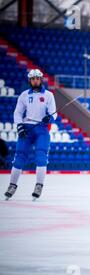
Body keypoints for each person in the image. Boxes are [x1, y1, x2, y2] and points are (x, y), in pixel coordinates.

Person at [4, 69, 57, 200]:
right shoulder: (24, 95)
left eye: (37, 78)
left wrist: (49, 118)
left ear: (41, 79)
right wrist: (19, 125)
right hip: (27, 128)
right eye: (33, 79)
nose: (35, 80)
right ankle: (12, 185)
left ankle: (39, 185)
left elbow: (53, 113)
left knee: (41, 156)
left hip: (41, 129)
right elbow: (17, 113)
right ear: (30, 80)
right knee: (19, 157)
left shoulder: (49, 95)